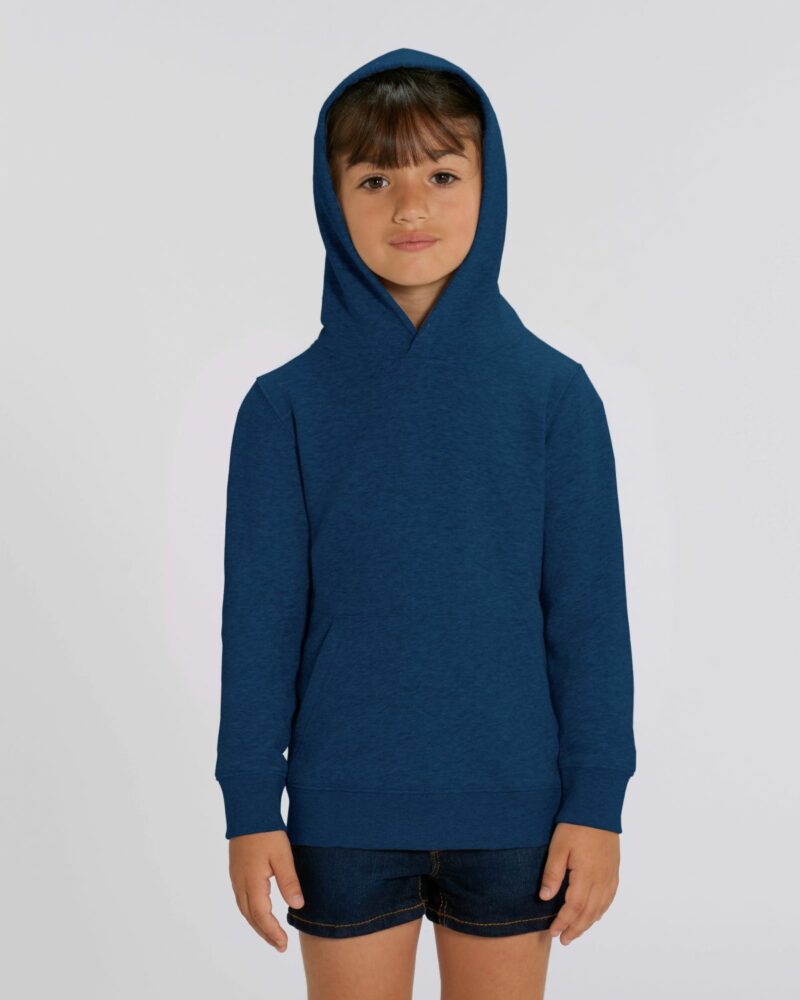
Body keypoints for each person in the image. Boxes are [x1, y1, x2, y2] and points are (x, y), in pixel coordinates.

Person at [214, 47, 637, 999]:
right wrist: (249, 805)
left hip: (519, 816)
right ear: (332, 199)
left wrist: (598, 802)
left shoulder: (554, 397)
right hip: (342, 816)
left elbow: (589, 622)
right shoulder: (284, 408)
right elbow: (260, 626)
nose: (411, 208)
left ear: (490, 186)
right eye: (375, 179)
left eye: (443, 175)